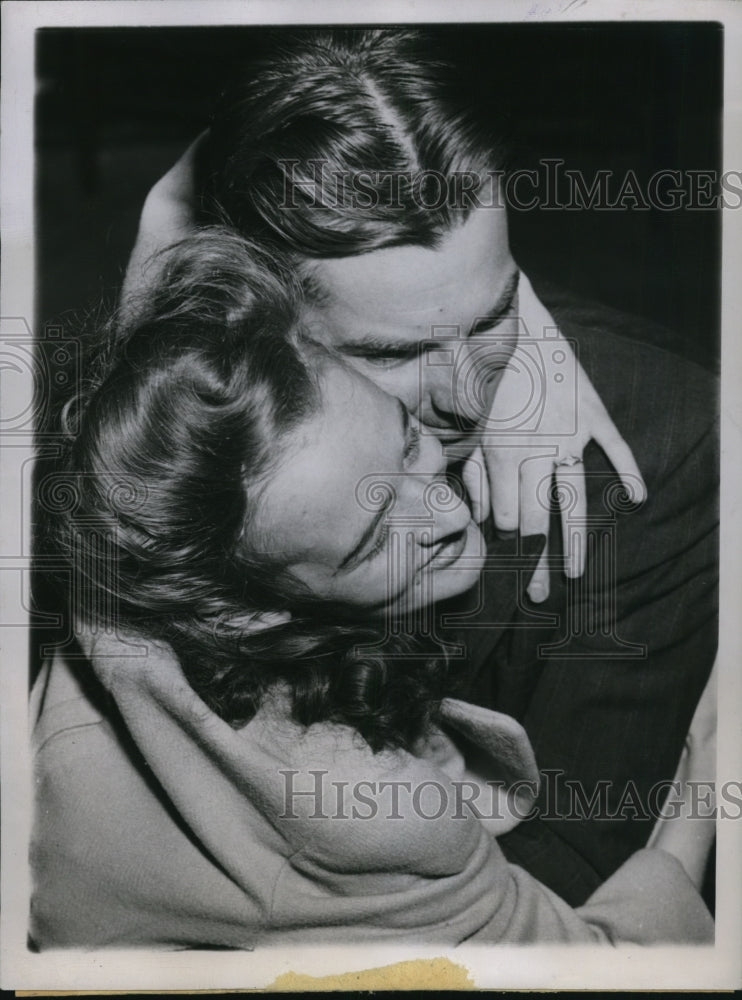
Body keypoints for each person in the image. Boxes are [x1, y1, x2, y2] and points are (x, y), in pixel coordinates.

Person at [117, 28, 719, 905]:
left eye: (493, 316)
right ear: (253, 325)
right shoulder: (189, 429)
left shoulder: (664, 444)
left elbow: (572, 879)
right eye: (390, 353)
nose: (471, 401)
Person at [31, 230, 714, 948]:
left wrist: (516, 330)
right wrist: (707, 775)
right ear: (253, 614)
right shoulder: (372, 817)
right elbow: (604, 969)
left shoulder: (130, 542)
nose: (449, 510)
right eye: (376, 535)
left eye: (408, 441)